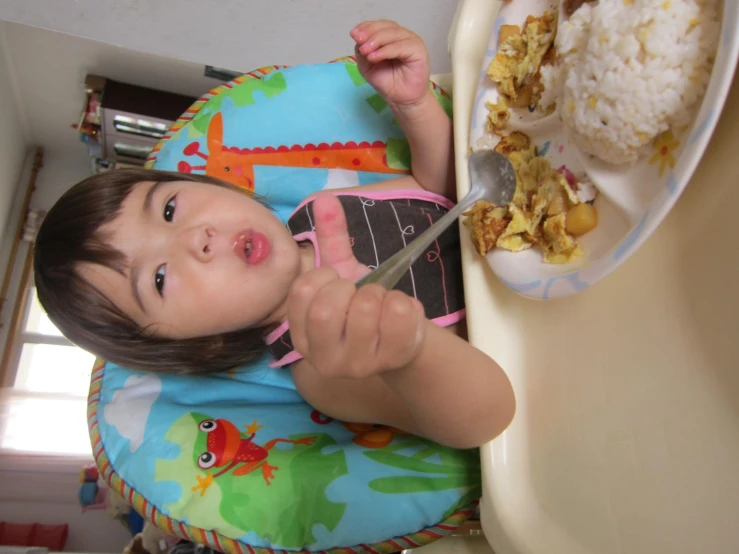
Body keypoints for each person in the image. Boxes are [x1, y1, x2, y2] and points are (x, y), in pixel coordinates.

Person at [34, 20, 515, 448]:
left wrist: (414, 106)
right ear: (202, 344)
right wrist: (407, 351)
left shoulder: (320, 208)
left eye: (170, 208)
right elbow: (485, 421)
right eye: (158, 279)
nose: (194, 239)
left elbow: (441, 190)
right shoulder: (321, 367)